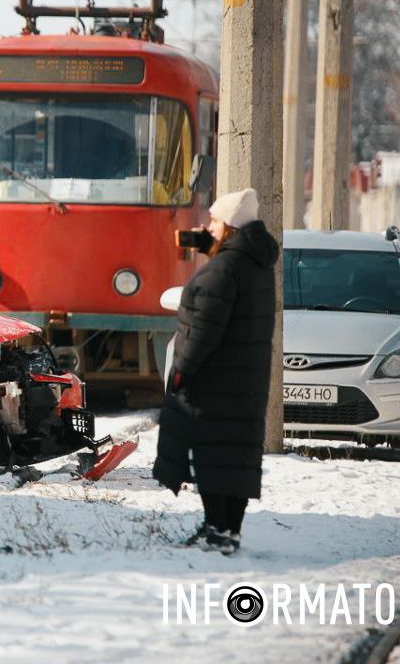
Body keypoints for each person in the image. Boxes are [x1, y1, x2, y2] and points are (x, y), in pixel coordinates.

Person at [152, 188, 279, 555]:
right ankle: (228, 530)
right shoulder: (255, 263)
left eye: (214, 222)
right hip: (244, 379)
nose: (207, 227)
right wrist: (213, 251)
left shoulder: (225, 268)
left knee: (212, 456)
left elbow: (205, 329)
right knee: (235, 458)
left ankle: (215, 528)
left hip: (215, 380)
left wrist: (181, 371)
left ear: (230, 228)